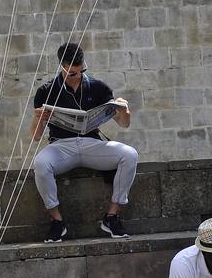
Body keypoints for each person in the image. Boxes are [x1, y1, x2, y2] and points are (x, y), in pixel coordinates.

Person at [30, 42, 136, 242]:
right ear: (62, 67)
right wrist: (39, 117)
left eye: (81, 71)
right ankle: (57, 221)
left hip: (92, 143)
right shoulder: (46, 90)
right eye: (72, 73)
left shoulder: (98, 87)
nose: (77, 75)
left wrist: (125, 111)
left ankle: (112, 216)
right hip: (61, 146)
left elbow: (123, 124)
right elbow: (36, 137)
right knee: (41, 163)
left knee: (129, 154)